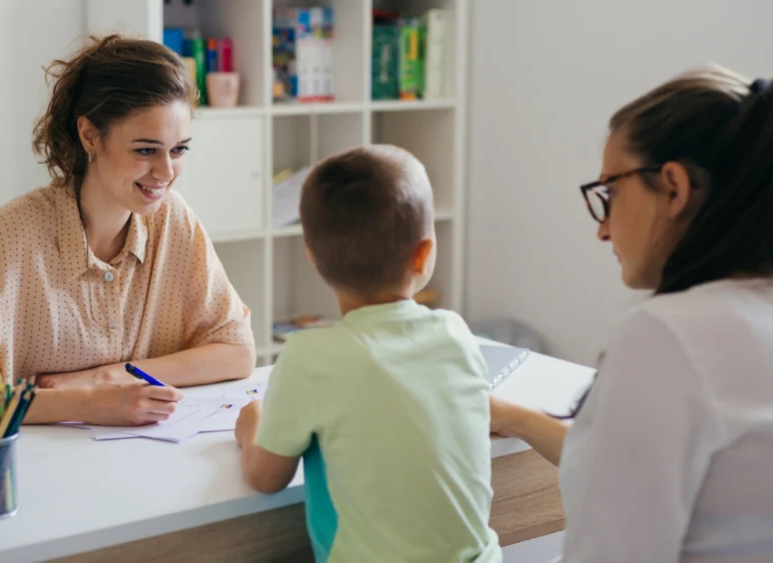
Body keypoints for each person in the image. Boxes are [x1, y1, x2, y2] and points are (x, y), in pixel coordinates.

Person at [490, 66, 773, 561]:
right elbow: (637, 465)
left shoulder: (670, 337)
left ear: (673, 188)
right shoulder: (750, 314)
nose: (602, 230)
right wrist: (516, 419)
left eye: (610, 193)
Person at [0, 35, 256, 426]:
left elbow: (236, 350)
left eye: (179, 149)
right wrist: (86, 404)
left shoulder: (173, 220)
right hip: (35, 468)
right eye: (146, 150)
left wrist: (107, 377)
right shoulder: (13, 233)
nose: (166, 172)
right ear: (90, 136)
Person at [235, 145, 502, 562]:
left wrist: (252, 423)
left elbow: (265, 477)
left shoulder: (310, 357)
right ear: (424, 254)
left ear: (312, 257)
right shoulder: (456, 333)